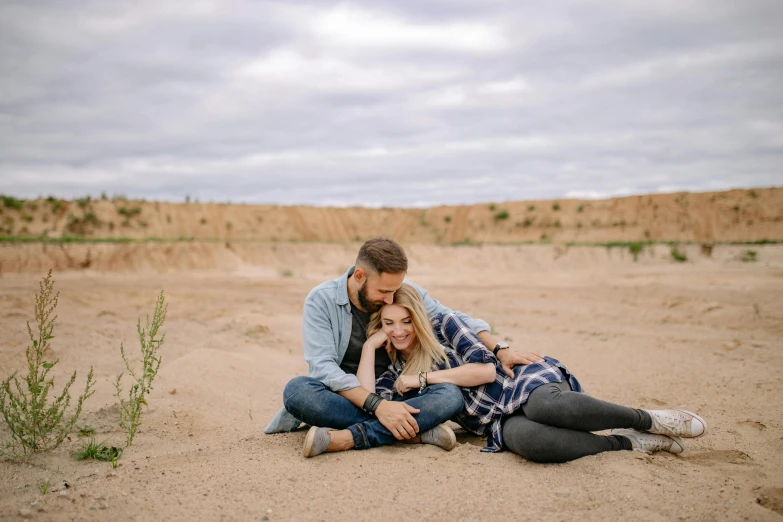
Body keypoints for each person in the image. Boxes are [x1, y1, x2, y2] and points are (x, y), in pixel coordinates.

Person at [306, 283, 707, 463]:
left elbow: (483, 370)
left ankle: (651, 419)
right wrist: (374, 347)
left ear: (420, 319)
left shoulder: (446, 326)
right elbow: (370, 399)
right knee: (531, 443)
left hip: (516, 383)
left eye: (406, 321)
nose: (399, 330)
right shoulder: (392, 366)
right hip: (492, 418)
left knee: (547, 408)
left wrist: (425, 379)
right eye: (388, 323)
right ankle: (630, 443)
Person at [264, 237, 542, 457]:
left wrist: (500, 349)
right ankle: (419, 433)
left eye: (394, 291)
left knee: (449, 395)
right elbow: (322, 367)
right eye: (383, 292)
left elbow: (454, 316)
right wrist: (378, 407)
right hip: (348, 398)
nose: (389, 299)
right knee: (298, 391)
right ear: (359, 276)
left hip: (402, 396)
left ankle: (352, 437)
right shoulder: (321, 300)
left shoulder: (400, 288)